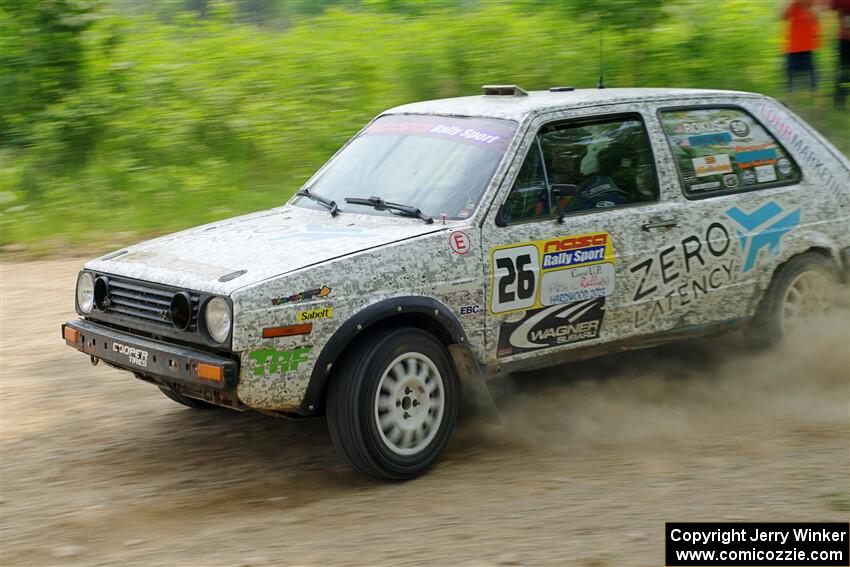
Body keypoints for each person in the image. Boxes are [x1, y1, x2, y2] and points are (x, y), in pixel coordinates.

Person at [783, 0, 820, 91]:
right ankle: (790, 101)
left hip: (808, 48)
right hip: (792, 47)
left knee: (813, 81)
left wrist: (806, 6)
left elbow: (815, 19)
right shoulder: (793, 5)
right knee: (789, 82)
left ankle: (815, 102)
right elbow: (783, 16)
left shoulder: (813, 4)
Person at [830, 0, 850, 107]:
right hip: (845, 40)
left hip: (844, 39)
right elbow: (833, 5)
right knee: (844, 73)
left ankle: (840, 100)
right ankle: (840, 100)